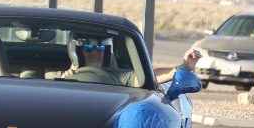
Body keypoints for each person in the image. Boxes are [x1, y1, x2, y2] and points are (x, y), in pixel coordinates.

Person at [59, 36, 201, 87]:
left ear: (106, 52)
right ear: (79, 52)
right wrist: (62, 82)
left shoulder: (118, 77)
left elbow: (150, 76)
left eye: (100, 48)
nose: (95, 53)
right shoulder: (63, 76)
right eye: (88, 48)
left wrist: (184, 67)